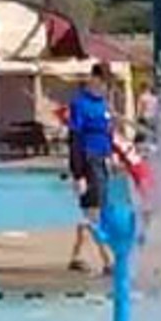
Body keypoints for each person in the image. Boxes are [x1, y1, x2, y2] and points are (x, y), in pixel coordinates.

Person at [66, 71, 118, 272]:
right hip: (89, 159)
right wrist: (78, 173)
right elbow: (75, 138)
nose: (107, 89)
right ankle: (107, 258)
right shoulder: (80, 105)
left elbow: (107, 132)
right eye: (106, 84)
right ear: (96, 82)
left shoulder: (103, 105)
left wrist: (111, 155)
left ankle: (77, 255)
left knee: (92, 210)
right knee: (94, 210)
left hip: (101, 158)